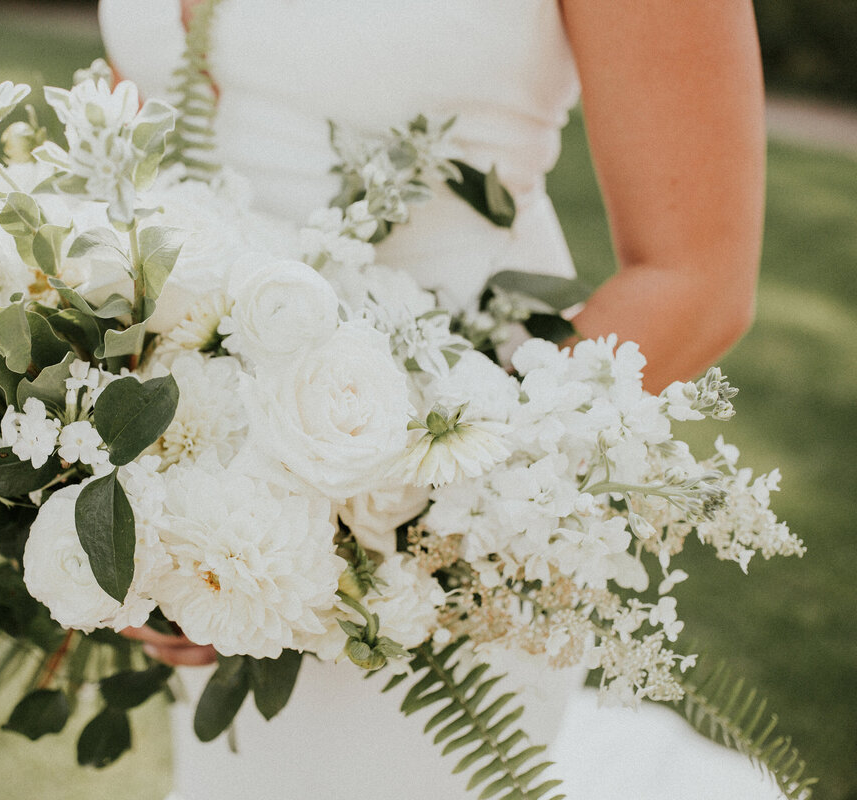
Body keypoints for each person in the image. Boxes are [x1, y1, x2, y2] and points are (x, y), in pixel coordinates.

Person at [97, 1, 779, 797]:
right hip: (198, 491)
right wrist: (143, 488)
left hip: (441, 538)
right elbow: (154, 120)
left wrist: (395, 509)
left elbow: (697, 278)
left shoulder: (427, 522)